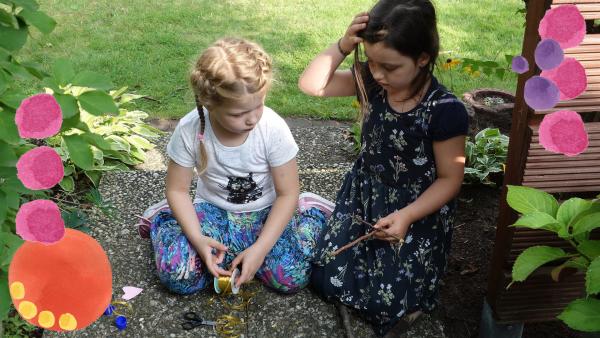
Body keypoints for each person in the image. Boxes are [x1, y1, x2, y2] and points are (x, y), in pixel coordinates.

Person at [298, 0, 468, 335]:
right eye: (372, 62)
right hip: (365, 198)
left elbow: (450, 180)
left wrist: (406, 216)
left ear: (422, 58)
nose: (378, 73)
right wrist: (343, 46)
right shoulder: (373, 83)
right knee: (325, 278)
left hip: (415, 211)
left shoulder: (445, 110)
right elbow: (312, 85)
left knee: (387, 305)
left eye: (389, 67)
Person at [140, 37, 333, 295]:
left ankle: (312, 213)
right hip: (212, 211)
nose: (252, 119)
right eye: (238, 114)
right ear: (209, 103)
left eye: (258, 106)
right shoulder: (189, 130)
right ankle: (165, 218)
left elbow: (287, 193)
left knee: (291, 278)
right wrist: (198, 241)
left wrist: (260, 249)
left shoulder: (272, 129)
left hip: (265, 212)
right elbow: (177, 190)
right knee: (179, 277)